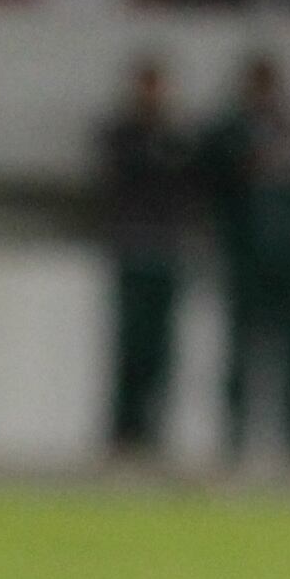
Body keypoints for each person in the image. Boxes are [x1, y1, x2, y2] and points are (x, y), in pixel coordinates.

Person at [198, 51, 290, 461]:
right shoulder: (228, 130)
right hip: (243, 253)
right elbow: (209, 179)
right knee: (240, 345)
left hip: (289, 255)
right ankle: (233, 436)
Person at [93, 54, 194, 456]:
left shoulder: (178, 137)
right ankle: (124, 429)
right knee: (129, 345)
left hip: (167, 246)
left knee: (161, 348)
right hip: (134, 243)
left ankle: (154, 429)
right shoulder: (123, 133)